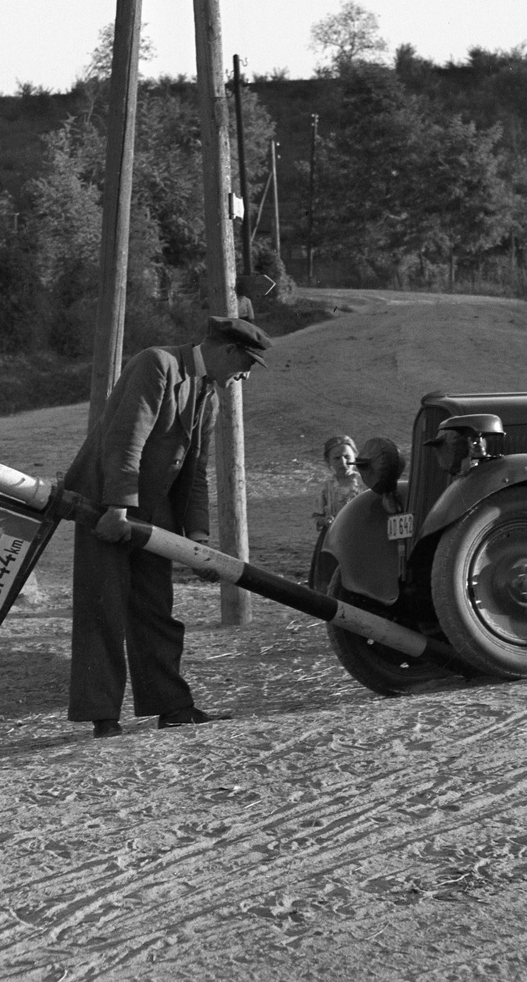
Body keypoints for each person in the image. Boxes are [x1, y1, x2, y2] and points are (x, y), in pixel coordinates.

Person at [65, 315, 271, 739]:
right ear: (227, 351)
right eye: (244, 367)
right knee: (103, 606)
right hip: (104, 501)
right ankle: (104, 717)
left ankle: (172, 707)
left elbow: (194, 474)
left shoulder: (208, 397)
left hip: (153, 515)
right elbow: (126, 439)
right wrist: (117, 509)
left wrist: (196, 542)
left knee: (156, 608)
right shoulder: (157, 364)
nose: (243, 378)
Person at [313, 435, 362, 532]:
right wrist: (324, 521)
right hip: (334, 536)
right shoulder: (325, 488)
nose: (343, 462)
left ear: (355, 456)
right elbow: (316, 518)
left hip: (361, 532)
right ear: (328, 461)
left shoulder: (364, 483)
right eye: (337, 458)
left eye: (347, 457)